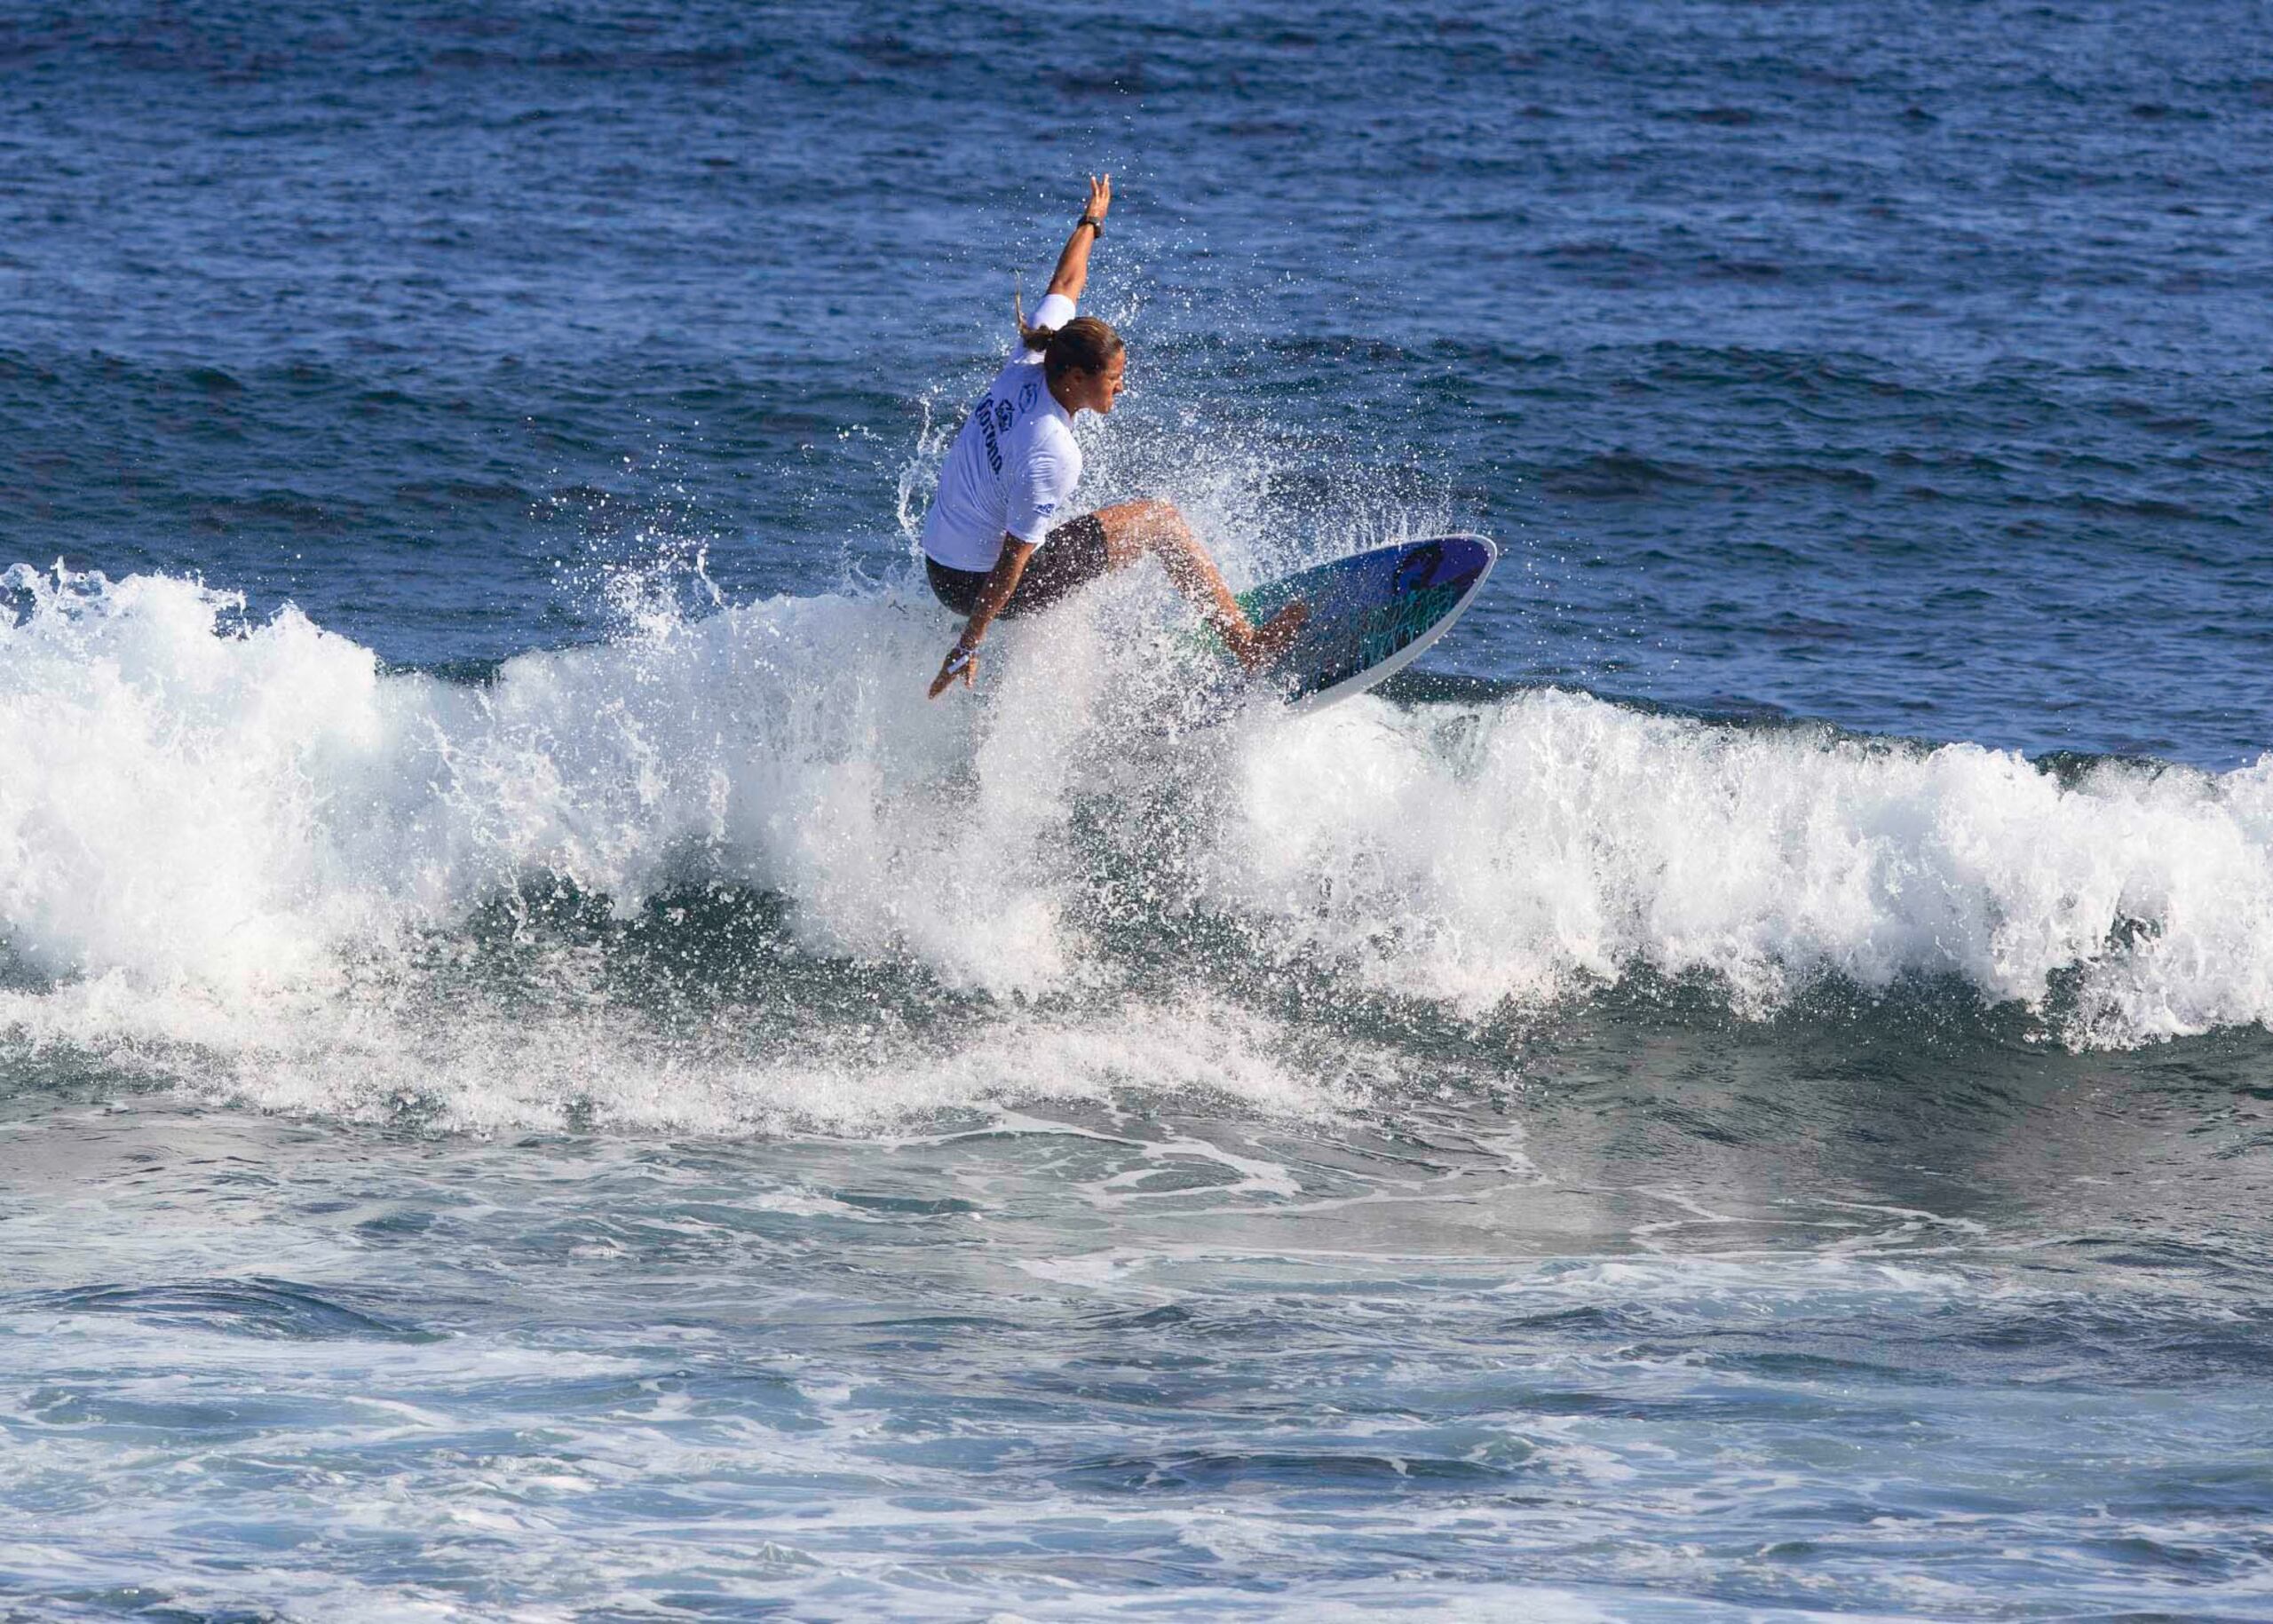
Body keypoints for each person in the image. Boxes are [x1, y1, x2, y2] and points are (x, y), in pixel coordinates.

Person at [923, 175, 1307, 699]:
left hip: (938, 564)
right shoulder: (1052, 450)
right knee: (1160, 522)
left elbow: (1066, 282)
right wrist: (970, 643)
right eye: (1113, 377)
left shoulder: (1034, 354)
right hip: (973, 584)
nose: (1122, 386)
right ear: (1077, 378)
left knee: (1095, 530)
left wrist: (1092, 221)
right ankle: (1248, 647)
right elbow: (1014, 559)